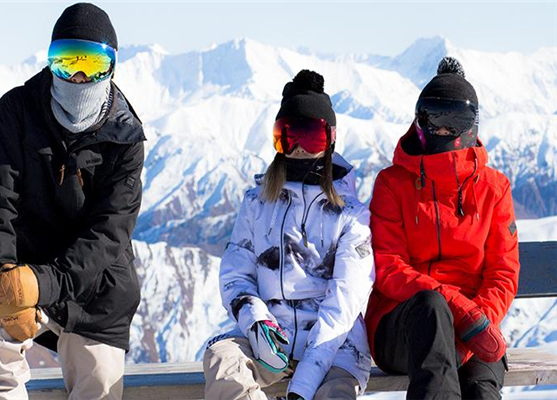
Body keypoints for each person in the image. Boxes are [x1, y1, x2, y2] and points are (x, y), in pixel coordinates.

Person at [0, 3, 145, 399]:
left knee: (99, 382)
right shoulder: (16, 112)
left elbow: (109, 234)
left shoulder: (126, 137)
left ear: (112, 67)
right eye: (66, 61)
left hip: (97, 288)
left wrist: (45, 284)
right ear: (49, 62)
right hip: (23, 268)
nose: (78, 76)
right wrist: (0, 281)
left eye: (93, 64)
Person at [203, 70, 375, 400]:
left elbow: (343, 304)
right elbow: (236, 275)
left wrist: (301, 389)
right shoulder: (257, 203)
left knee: (335, 394)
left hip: (334, 344)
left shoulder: (351, 215)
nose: (297, 148)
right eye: (287, 136)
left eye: (311, 137)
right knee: (223, 362)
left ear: (330, 140)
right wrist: (257, 323)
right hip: (270, 340)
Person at [365, 57, 519, 399]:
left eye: (455, 120)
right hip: (403, 322)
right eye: (434, 119)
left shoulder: (494, 188)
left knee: (482, 389)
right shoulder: (393, 184)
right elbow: (389, 267)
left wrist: (477, 322)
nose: (445, 131)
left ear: (472, 125)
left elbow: (503, 272)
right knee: (432, 308)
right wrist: (461, 313)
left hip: (475, 323)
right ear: (420, 121)